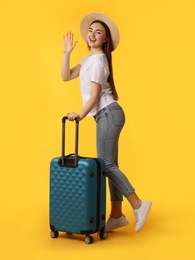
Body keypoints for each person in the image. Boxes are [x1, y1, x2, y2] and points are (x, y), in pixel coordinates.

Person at [61, 12, 152, 233]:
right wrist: (66, 54)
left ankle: (139, 204)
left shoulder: (100, 61)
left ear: (105, 40)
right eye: (90, 31)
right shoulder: (88, 60)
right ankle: (117, 215)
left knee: (107, 166)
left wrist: (80, 115)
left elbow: (94, 95)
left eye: (98, 32)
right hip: (106, 115)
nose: (92, 34)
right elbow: (65, 76)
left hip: (108, 113)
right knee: (111, 165)